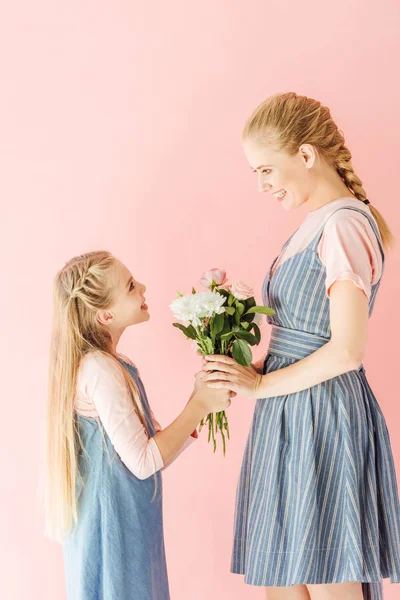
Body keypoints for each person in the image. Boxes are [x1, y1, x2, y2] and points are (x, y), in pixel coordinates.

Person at [203, 92, 400, 600]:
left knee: (327, 573)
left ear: (307, 155)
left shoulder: (344, 224)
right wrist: (244, 370)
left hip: (323, 413)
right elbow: (304, 337)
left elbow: (346, 351)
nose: (264, 184)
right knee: (285, 580)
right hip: (289, 412)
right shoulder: (315, 224)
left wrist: (262, 382)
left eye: (267, 170)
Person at [45, 250, 231, 600]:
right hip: (115, 528)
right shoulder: (100, 370)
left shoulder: (116, 365)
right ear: (106, 314)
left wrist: (199, 398)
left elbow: (151, 453)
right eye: (131, 286)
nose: (143, 288)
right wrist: (199, 404)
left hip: (131, 522)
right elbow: (144, 462)